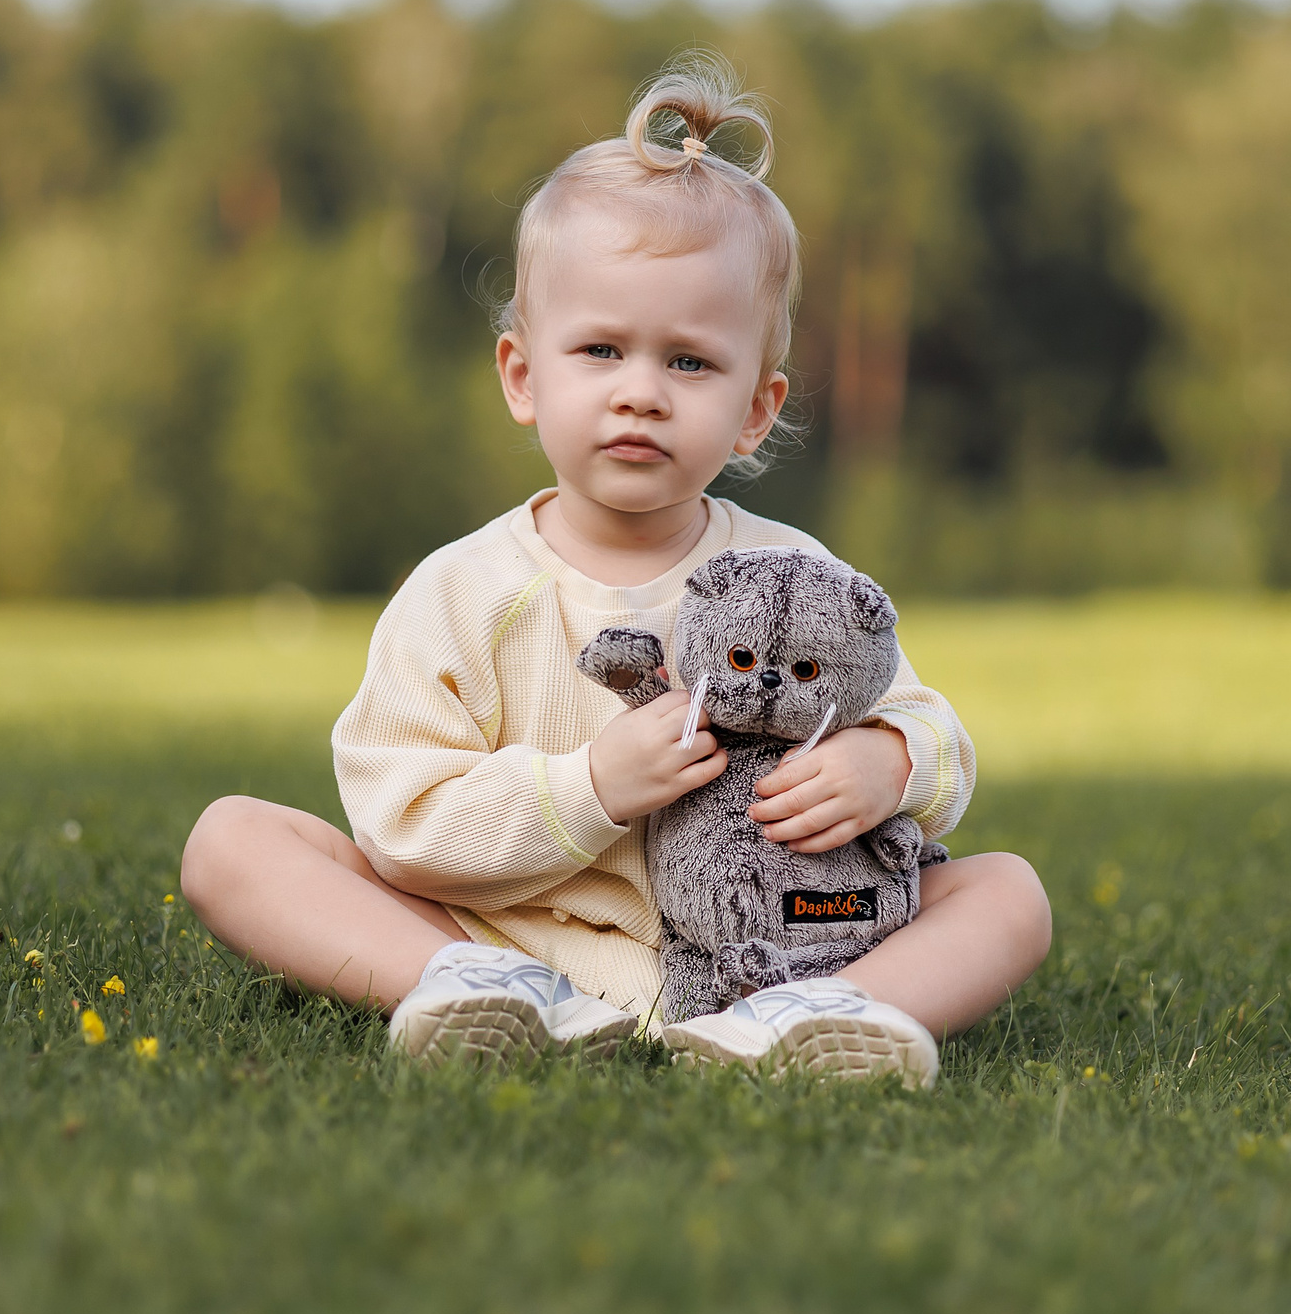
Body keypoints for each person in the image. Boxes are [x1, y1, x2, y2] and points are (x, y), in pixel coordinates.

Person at [180, 55, 1050, 1088]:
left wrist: (889, 766)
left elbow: (930, 727)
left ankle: (812, 1021)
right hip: (504, 936)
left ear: (756, 410)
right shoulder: (463, 593)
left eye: (688, 362)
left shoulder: (790, 573)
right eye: (599, 351)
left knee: (1008, 892)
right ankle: (465, 990)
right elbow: (398, 817)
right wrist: (587, 790)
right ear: (522, 375)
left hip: (769, 943)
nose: (640, 392)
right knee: (230, 842)